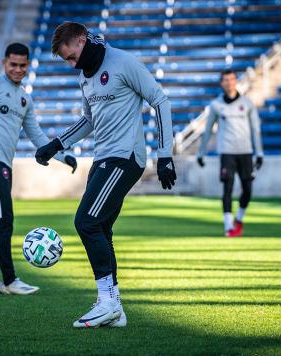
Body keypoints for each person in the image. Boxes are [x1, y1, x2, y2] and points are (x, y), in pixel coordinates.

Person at [35, 22, 177, 328]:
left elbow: (160, 101)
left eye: (71, 57)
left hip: (125, 157)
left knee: (85, 222)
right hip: (103, 158)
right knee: (101, 229)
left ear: (83, 41)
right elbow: (88, 120)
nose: (71, 64)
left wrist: (165, 155)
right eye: (66, 61)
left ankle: (107, 302)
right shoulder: (85, 78)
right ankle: (115, 309)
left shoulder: (124, 62)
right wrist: (56, 145)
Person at [0, 43, 77, 295]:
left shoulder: (25, 98)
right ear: (5, 63)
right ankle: (11, 281)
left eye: (22, 65)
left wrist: (62, 156)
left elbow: (36, 135)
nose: (17, 69)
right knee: (3, 222)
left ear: (27, 65)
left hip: (4, 166)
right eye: (13, 64)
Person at [196, 69, 264, 237]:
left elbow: (256, 130)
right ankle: (228, 227)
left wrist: (259, 153)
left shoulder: (247, 104)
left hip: (245, 152)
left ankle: (238, 220)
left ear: (236, 81)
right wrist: (201, 153)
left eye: (232, 79)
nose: (229, 82)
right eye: (225, 80)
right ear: (222, 83)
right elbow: (208, 130)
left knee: (247, 191)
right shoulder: (216, 105)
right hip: (227, 152)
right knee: (228, 188)